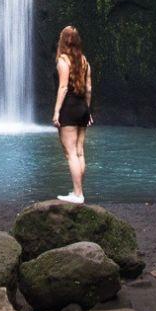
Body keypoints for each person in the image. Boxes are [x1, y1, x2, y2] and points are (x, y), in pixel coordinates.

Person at [51, 25, 93, 204]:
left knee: (71, 154)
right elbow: (89, 89)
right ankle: (79, 191)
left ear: (63, 40)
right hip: (82, 108)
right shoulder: (84, 61)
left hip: (69, 108)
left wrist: (56, 112)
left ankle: (77, 194)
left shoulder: (63, 61)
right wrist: (88, 111)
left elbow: (63, 87)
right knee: (79, 152)